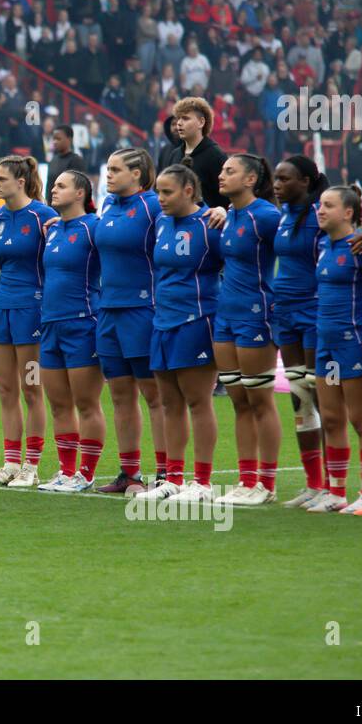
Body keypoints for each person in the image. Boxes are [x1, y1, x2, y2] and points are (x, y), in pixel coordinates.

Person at [137, 165, 224, 503]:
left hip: (196, 321)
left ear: (189, 190)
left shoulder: (211, 225)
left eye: (167, 192)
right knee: (169, 402)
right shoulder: (160, 222)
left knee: (198, 401)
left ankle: (201, 482)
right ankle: (173, 478)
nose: (161, 199)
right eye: (158, 192)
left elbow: (240, 264)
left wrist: (223, 212)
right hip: (161, 322)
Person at [92, 148, 166, 495]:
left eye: (116, 169)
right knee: (120, 396)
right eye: (108, 168)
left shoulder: (153, 206)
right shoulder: (107, 206)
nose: (108, 175)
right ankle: (130, 474)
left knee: (155, 396)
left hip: (142, 311)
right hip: (108, 311)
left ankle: (167, 473)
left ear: (137, 174)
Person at [212, 154, 283, 505]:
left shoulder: (267, 216)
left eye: (230, 171)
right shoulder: (229, 215)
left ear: (251, 179)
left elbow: (300, 249)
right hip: (225, 315)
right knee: (239, 401)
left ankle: (266, 484)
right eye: (222, 170)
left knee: (260, 399)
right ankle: (246, 479)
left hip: (257, 315)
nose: (221, 175)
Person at [307, 186, 362, 513]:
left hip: (354, 342)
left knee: (361, 418)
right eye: (320, 205)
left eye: (328, 205)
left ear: (348, 213)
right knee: (332, 418)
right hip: (326, 343)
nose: (320, 211)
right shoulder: (324, 244)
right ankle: (336, 492)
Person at [0, 156, 52, 488]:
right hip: (1, 309)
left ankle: (31, 465)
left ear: (20, 182)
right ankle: (10, 462)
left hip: (32, 312)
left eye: (2, 179)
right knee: (7, 389)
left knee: (31, 389)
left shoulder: (43, 216)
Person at [35, 170, 106, 493]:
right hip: (50, 324)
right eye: (54, 184)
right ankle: (66, 471)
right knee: (59, 403)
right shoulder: (53, 229)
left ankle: (86, 473)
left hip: (82, 324)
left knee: (86, 402)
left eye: (61, 185)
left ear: (80, 193)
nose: (54, 189)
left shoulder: (94, 227)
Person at [270, 156, 327, 508]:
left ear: (305, 181)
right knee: (299, 397)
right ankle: (314, 483)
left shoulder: (321, 214)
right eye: (275, 178)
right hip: (286, 314)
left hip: (315, 312)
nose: (277, 184)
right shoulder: (284, 216)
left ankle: (336, 486)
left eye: (284, 178)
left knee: (322, 396)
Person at [167, 97, 227, 208]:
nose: (179, 123)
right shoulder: (174, 154)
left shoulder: (215, 155)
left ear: (201, 122)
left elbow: (225, 198)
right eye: (178, 118)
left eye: (185, 118)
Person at [44, 125, 88, 196]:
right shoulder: (53, 160)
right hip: (51, 205)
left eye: (58, 139)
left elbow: (80, 189)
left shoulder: (76, 161)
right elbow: (48, 186)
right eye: (54, 139)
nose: (55, 142)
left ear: (69, 139)